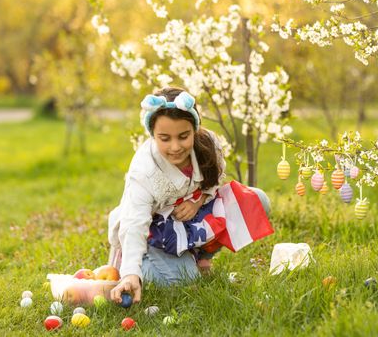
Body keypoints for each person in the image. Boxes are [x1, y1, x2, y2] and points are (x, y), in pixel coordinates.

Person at [108, 87, 272, 305]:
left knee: (257, 201)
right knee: (185, 281)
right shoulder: (144, 170)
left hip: (189, 221)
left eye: (183, 136)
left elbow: (214, 180)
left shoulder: (208, 145)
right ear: (152, 134)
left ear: (195, 130)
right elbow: (134, 221)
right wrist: (130, 273)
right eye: (164, 138)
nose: (175, 147)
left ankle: (201, 257)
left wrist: (199, 201)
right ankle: (138, 266)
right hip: (155, 234)